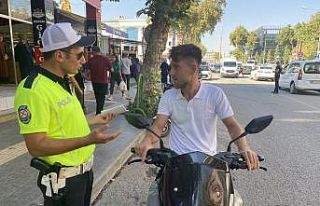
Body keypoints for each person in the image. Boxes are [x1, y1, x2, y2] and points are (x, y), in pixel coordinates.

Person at [14, 23, 122, 206]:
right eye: (79, 55)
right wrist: (88, 140)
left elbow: (62, 125)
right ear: (59, 55)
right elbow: (36, 146)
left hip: (83, 174)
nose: (84, 60)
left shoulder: (62, 81)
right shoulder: (32, 90)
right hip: (63, 181)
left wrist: (93, 120)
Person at [138, 44, 259, 170]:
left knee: (227, 190)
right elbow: (157, 126)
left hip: (208, 165)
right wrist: (148, 141)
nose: (171, 72)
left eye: (176, 67)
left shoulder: (215, 94)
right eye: (171, 67)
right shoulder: (168, 96)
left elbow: (232, 125)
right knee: (157, 189)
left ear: (193, 69)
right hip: (176, 164)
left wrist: (244, 148)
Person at [87, 46, 112, 115]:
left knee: (97, 97)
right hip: (104, 81)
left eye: (92, 51)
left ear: (94, 52)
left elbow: (88, 71)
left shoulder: (91, 60)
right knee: (102, 97)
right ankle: (100, 111)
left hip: (95, 81)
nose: (91, 53)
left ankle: (99, 111)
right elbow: (111, 69)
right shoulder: (105, 59)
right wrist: (109, 76)